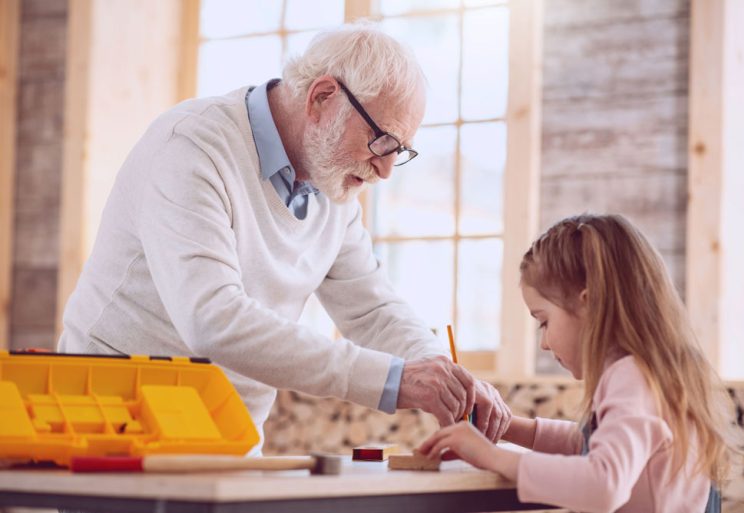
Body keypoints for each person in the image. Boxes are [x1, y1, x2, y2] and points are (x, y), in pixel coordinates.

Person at [57, 23, 512, 447]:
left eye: (401, 151)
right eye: (382, 141)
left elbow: (373, 309)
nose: (386, 170)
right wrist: (394, 380)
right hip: (112, 427)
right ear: (321, 98)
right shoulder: (192, 147)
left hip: (223, 438)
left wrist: (449, 378)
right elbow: (213, 320)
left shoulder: (332, 186)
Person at [419, 214, 733, 512]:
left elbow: (604, 483)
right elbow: (590, 444)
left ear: (589, 304)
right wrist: (508, 427)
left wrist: (492, 457)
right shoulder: (652, 372)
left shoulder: (630, 376)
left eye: (543, 321)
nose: (544, 343)